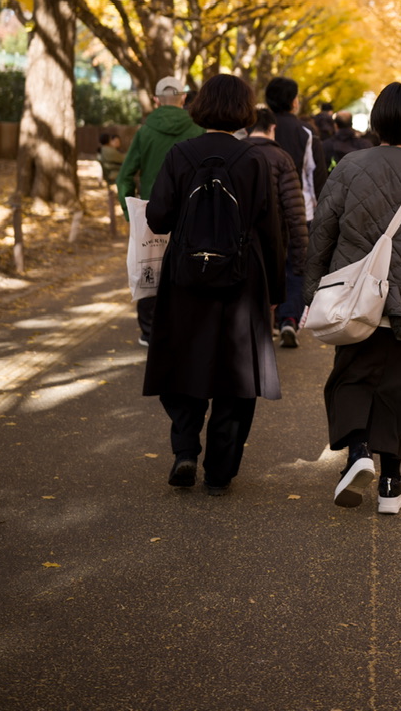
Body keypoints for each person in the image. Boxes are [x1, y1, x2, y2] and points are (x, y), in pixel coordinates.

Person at [303, 81, 401, 515]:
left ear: (375, 124)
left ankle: (356, 454)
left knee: (352, 379)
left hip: (357, 302)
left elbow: (322, 233)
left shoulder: (350, 167)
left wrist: (310, 289)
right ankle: (391, 482)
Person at [143, 74, 284, 495]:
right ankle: (220, 469)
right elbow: (271, 229)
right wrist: (276, 292)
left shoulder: (180, 154)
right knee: (235, 374)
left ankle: (186, 449)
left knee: (183, 361)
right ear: (245, 109)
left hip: (186, 278)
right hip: (242, 280)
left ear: (200, 105)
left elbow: (158, 217)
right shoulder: (254, 159)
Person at [117, 76, 204, 345]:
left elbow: (125, 177)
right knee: (186, 267)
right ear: (184, 99)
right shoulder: (198, 130)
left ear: (156, 100)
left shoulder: (144, 132)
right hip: (191, 212)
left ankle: (149, 331)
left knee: (148, 268)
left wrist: (130, 211)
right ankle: (184, 328)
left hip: (150, 212)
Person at [264, 75, 323, 345]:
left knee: (267, 262)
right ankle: (289, 318)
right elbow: (312, 175)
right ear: (293, 101)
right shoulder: (305, 133)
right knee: (295, 263)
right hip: (300, 209)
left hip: (265, 210)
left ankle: (268, 321)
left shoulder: (260, 128)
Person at [246, 107, 309, 345]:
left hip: (241, 241)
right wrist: (301, 255)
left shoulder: (237, 154)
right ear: (273, 128)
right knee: (271, 287)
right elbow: (294, 210)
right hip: (274, 239)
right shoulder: (282, 158)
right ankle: (281, 324)